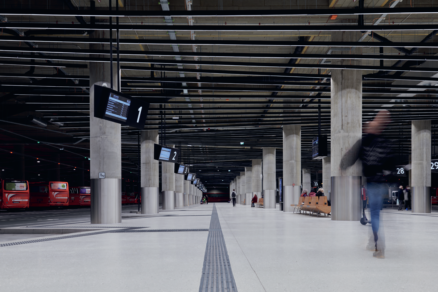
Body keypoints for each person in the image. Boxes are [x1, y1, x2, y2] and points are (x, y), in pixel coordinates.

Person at [341, 110, 396, 259]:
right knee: (375, 212)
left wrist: (343, 166)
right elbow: (392, 164)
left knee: (375, 214)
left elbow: (352, 155)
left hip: (372, 182)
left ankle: (379, 246)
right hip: (381, 183)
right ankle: (373, 243)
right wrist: (390, 179)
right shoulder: (385, 142)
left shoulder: (365, 141)